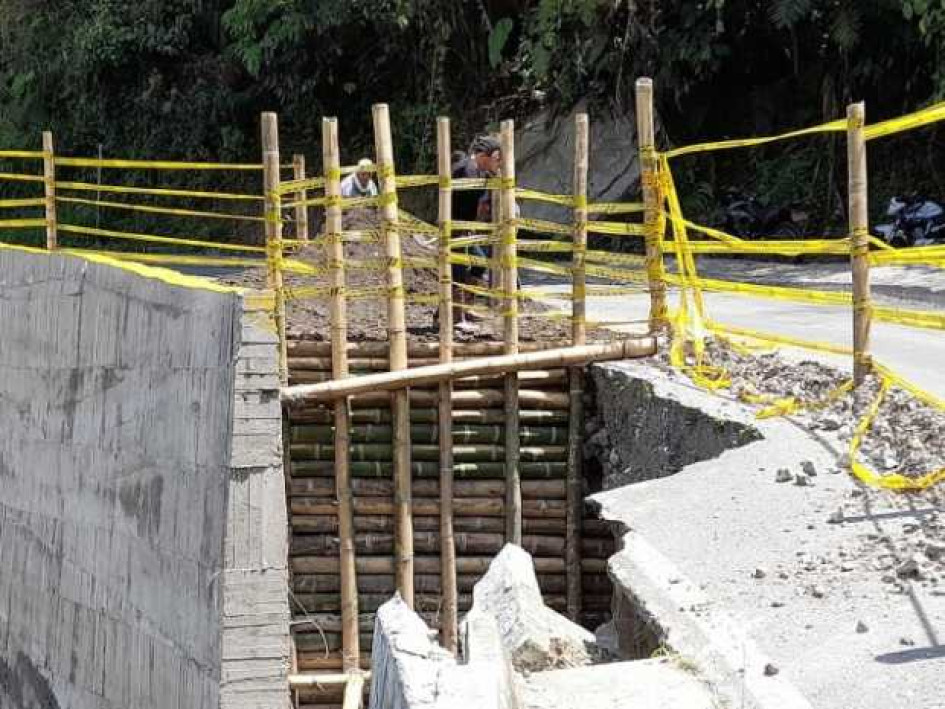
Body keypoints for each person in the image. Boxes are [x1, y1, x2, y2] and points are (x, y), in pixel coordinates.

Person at [448, 135, 501, 331]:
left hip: (465, 228)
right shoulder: (465, 170)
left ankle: (462, 309)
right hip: (454, 228)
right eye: (498, 158)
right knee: (458, 272)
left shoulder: (480, 172)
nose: (499, 163)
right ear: (488, 155)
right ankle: (456, 317)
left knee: (479, 264)